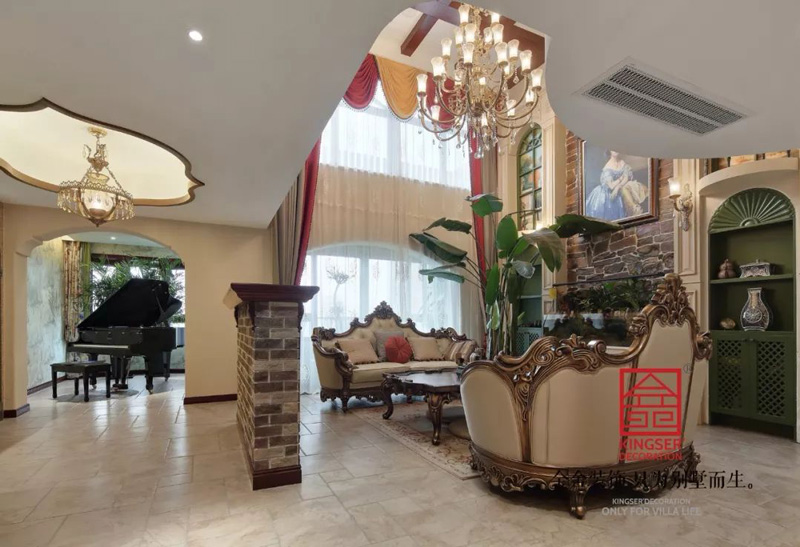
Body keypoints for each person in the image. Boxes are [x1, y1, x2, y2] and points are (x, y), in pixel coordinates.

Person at [585, 151, 648, 220]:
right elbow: (611, 186)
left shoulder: (622, 162)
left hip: (618, 188)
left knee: (632, 187)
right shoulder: (607, 167)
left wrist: (618, 187)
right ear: (609, 151)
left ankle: (637, 209)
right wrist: (620, 179)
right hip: (607, 192)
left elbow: (626, 177)